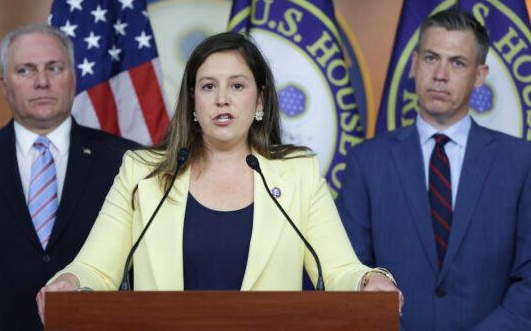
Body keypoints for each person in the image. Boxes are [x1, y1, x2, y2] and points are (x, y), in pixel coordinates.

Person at [37, 31, 402, 319]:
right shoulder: (142, 173)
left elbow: (339, 269)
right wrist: (70, 281)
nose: (222, 99)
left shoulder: (298, 174)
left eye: (237, 86)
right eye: (209, 86)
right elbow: (96, 268)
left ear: (259, 101)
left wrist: (370, 279)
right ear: (193, 101)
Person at [0, 24, 140, 331]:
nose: (42, 82)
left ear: (73, 76)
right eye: (26, 70)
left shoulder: (126, 160)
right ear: (4, 84)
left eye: (54, 68)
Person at [336, 10, 531, 330]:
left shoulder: (521, 162)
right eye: (430, 58)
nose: (440, 74)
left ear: (480, 75)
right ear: (414, 64)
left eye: (457, 63)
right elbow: (347, 271)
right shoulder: (367, 162)